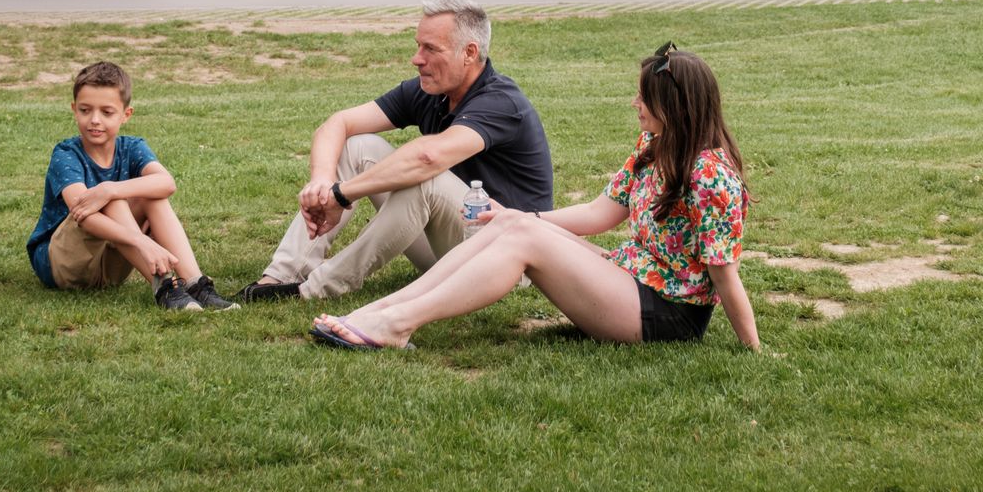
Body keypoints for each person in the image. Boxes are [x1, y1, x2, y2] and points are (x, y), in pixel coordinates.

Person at [308, 42, 759, 353]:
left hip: (666, 316)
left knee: (526, 238)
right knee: (514, 225)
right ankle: (381, 311)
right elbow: (598, 213)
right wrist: (519, 214)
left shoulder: (711, 177)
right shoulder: (654, 146)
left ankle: (396, 325)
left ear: (675, 107)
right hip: (631, 279)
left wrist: (753, 349)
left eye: (644, 98)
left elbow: (724, 276)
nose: (634, 104)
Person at [239, 0, 553, 303]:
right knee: (358, 145)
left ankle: (316, 289)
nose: (417, 58)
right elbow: (338, 123)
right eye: (418, 45)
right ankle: (281, 277)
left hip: (507, 261)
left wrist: (341, 194)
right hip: (452, 250)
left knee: (425, 178)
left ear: (469, 53)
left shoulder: (501, 101)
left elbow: (427, 158)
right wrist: (321, 183)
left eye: (431, 48)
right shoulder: (431, 89)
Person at [26, 60, 236, 312]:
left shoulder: (132, 147)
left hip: (109, 267)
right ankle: (165, 287)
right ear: (74, 110)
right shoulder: (66, 153)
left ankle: (194, 284)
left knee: (144, 194)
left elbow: (166, 183)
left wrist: (110, 189)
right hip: (62, 265)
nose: (94, 120)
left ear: (126, 115)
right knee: (112, 200)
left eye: (107, 112)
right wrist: (142, 241)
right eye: (85, 110)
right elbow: (83, 214)